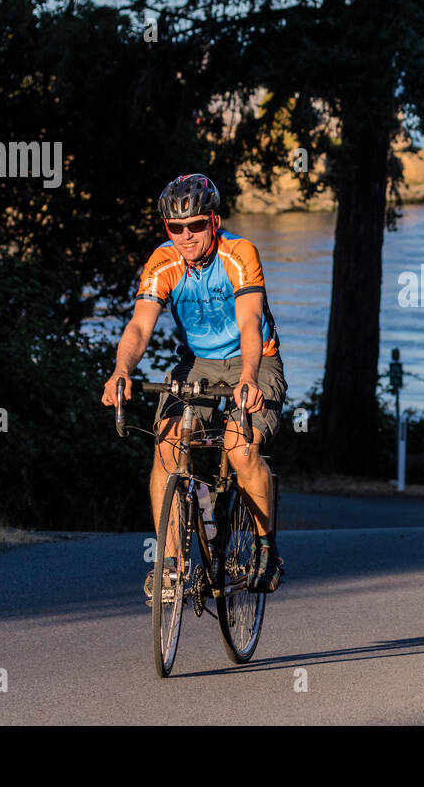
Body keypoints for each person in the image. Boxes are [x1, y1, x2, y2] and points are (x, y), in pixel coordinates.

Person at [100, 173, 288, 601]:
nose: (186, 236)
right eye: (175, 228)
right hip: (197, 364)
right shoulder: (163, 262)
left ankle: (264, 546)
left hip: (253, 358)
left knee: (241, 449)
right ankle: (169, 566)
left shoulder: (238, 253)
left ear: (214, 221)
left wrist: (246, 379)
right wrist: (121, 370)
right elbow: (139, 326)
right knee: (166, 447)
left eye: (196, 225)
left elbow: (249, 324)